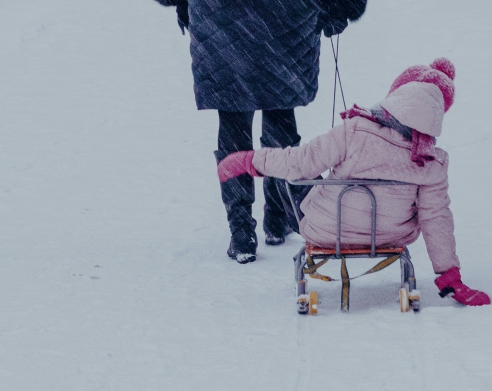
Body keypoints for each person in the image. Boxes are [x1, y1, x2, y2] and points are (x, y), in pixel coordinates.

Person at [217, 59, 491, 305]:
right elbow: (436, 217)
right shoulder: (433, 161)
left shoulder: (355, 129)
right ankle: (278, 224)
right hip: (388, 237)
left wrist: (249, 160)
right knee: (422, 207)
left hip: (326, 230)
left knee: (298, 171)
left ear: (397, 93)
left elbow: (301, 162)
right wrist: (450, 276)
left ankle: (275, 221)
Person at [153, 0, 368, 263]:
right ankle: (279, 217)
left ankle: (242, 232)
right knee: (280, 116)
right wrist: (339, 9)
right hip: (285, 20)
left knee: (234, 125)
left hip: (221, 21)